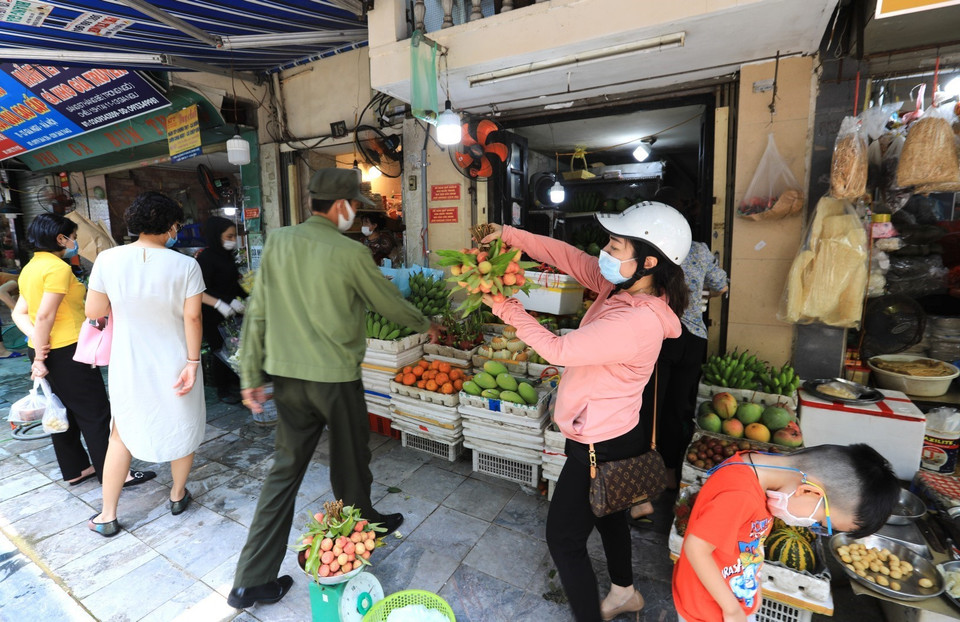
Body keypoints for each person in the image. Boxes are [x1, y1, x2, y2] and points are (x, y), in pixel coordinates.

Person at [228, 167, 441, 609]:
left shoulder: (280, 242)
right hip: (335, 381)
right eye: (355, 206)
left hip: (287, 380)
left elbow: (258, 312)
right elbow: (387, 303)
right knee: (350, 460)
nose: (356, 214)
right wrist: (427, 324)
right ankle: (358, 532)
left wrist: (250, 376)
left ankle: (251, 580)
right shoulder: (350, 253)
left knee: (284, 474)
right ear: (342, 206)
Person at [479, 201, 691, 622]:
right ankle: (625, 591)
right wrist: (508, 235)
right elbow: (567, 256)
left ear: (648, 261)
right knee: (610, 511)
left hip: (599, 443)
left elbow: (559, 349)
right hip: (618, 430)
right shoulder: (628, 287)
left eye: (615, 245)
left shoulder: (636, 321)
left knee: (563, 539)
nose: (605, 252)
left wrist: (505, 307)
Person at [84, 192, 205, 537]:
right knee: (183, 425)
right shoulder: (186, 265)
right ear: (170, 226)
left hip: (130, 362)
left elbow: (94, 312)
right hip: (176, 360)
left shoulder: (108, 260)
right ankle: (178, 495)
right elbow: (193, 318)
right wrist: (193, 363)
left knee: (120, 434)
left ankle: (107, 515)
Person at [673, 444, 900, 622]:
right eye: (821, 521)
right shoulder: (739, 494)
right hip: (708, 610)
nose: (811, 525)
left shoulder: (762, 477)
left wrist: (752, 593)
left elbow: (749, 543)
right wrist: (732, 610)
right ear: (809, 491)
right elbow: (697, 548)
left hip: (733, 599)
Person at [11, 213, 155, 489]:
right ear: (60, 238)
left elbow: (21, 314)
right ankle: (114, 474)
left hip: (48, 349)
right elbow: (44, 316)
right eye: (74, 237)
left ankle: (76, 468)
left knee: (61, 410)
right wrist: (42, 355)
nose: (75, 242)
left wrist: (38, 345)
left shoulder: (31, 268)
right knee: (95, 412)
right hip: (68, 352)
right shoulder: (58, 269)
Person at [633, 187, 728, 522]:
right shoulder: (701, 249)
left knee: (649, 409)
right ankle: (672, 476)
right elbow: (721, 285)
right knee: (679, 409)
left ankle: (643, 490)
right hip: (694, 340)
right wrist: (701, 295)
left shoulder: (654, 251)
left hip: (663, 337)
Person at [197, 216, 246, 403]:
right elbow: (202, 288)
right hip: (213, 313)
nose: (232, 240)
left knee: (235, 348)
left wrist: (246, 296)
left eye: (234, 236)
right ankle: (223, 390)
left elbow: (232, 282)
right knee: (220, 350)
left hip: (232, 312)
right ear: (217, 236)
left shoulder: (228, 256)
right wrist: (224, 302)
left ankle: (236, 384)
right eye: (229, 236)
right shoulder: (205, 259)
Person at [0, 271, 23, 359]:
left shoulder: (18, 291)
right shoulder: (15, 282)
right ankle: (1, 352)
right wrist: (18, 312)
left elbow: (13, 304)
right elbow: (1, 292)